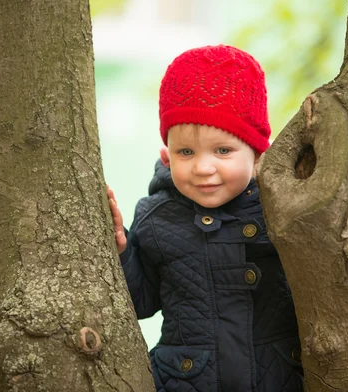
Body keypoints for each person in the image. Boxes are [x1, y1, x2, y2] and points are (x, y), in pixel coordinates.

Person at [108, 45, 303, 392]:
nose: (202, 167)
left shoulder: (282, 211)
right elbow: (140, 302)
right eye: (186, 152)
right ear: (166, 156)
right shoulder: (157, 216)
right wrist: (122, 251)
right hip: (186, 380)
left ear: (259, 154)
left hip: (278, 377)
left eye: (223, 151)